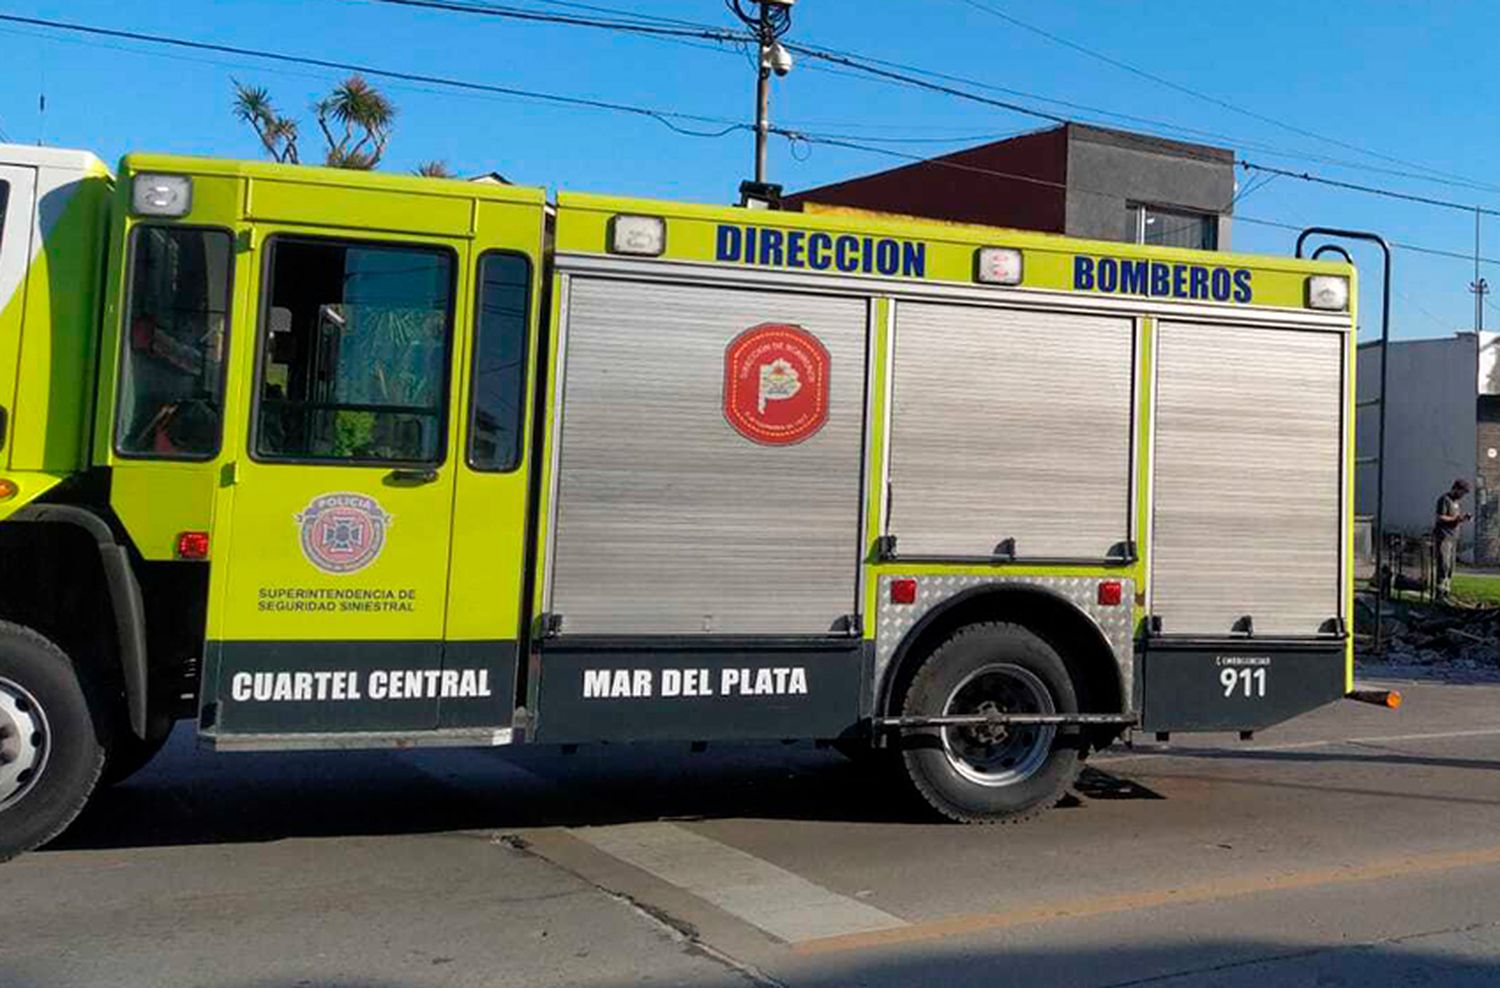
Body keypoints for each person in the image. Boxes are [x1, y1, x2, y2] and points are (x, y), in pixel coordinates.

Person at [1434, 478, 1473, 601]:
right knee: (1443, 564)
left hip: (1453, 537)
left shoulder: (1457, 503)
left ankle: (1447, 591)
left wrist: (1463, 519)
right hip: (1443, 537)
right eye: (1462, 492)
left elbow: (1456, 518)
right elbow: (1440, 518)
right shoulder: (1444, 500)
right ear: (1456, 489)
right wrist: (1457, 519)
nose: (1462, 496)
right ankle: (1439, 594)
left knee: (1451, 566)